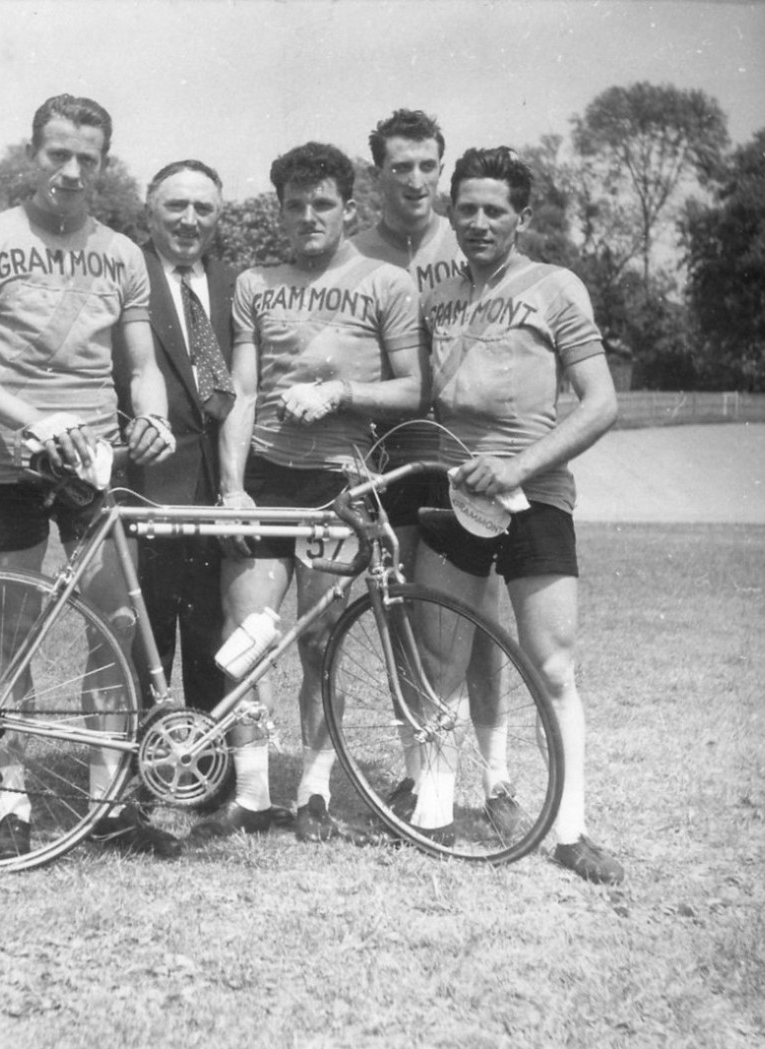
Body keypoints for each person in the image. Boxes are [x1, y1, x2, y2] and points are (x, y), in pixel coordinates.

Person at [0, 94, 179, 860]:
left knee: (115, 626)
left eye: (88, 158)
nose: (72, 172)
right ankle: (11, 796)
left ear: (105, 164)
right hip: (13, 460)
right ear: (31, 153)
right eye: (58, 155)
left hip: (95, 465)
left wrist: (155, 417)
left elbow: (140, 367)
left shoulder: (122, 251)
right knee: (15, 625)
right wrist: (31, 417)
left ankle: (109, 801)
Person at [188, 142, 426, 846]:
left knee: (320, 639)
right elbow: (243, 390)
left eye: (322, 204)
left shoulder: (386, 281)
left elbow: (416, 388)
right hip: (265, 473)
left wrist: (341, 392)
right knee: (248, 638)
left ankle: (315, 786)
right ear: (280, 212)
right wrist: (232, 487)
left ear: (348, 208)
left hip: (340, 483)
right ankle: (256, 794)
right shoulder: (258, 282)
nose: (308, 216)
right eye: (294, 205)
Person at [414, 146, 624, 884]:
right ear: (450, 211)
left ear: (521, 217)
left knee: (554, 665)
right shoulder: (435, 296)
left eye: (494, 210)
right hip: (454, 495)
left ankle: (571, 831)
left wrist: (518, 465)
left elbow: (601, 404)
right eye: (465, 207)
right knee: (438, 660)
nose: (477, 222)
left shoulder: (556, 286)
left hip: (536, 495)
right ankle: (435, 815)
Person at [113, 159, 235, 719]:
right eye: (176, 206)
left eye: (203, 208)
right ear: (149, 211)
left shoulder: (236, 283)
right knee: (145, 637)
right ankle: (141, 767)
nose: (190, 220)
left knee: (216, 637)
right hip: (147, 483)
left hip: (221, 491)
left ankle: (208, 765)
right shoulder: (123, 271)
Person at [352, 108, 466, 571]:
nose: (416, 180)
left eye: (427, 166)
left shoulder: (469, 246)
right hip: (386, 444)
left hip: (460, 442)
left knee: (468, 601)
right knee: (396, 590)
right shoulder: (354, 254)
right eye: (400, 167)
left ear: (442, 169)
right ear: (378, 174)